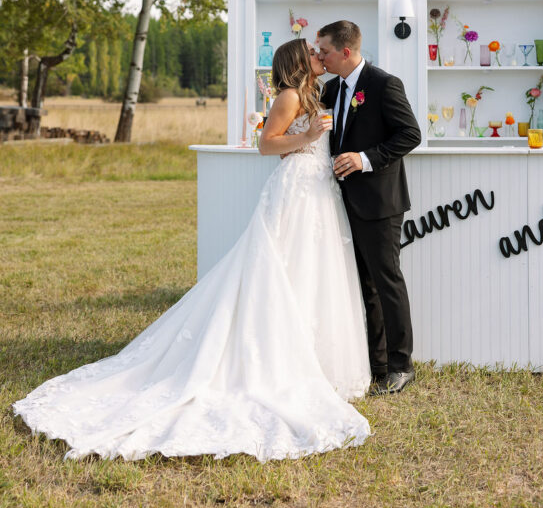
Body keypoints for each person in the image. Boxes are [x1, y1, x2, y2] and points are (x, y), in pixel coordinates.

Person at [14, 40, 371, 462]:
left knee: (311, 274)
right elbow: (266, 144)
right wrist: (309, 136)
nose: (319, 55)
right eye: (312, 51)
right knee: (279, 272)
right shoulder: (290, 96)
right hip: (294, 193)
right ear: (298, 62)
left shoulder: (314, 93)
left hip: (317, 193)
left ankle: (315, 363)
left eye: (321, 50)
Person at [317, 21, 422, 395]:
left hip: (380, 201)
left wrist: (364, 159)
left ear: (346, 52)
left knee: (386, 281)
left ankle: (401, 365)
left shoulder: (383, 84)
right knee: (363, 285)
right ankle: (377, 364)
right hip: (342, 203)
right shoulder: (332, 88)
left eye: (324, 51)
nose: (320, 57)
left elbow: (410, 134)